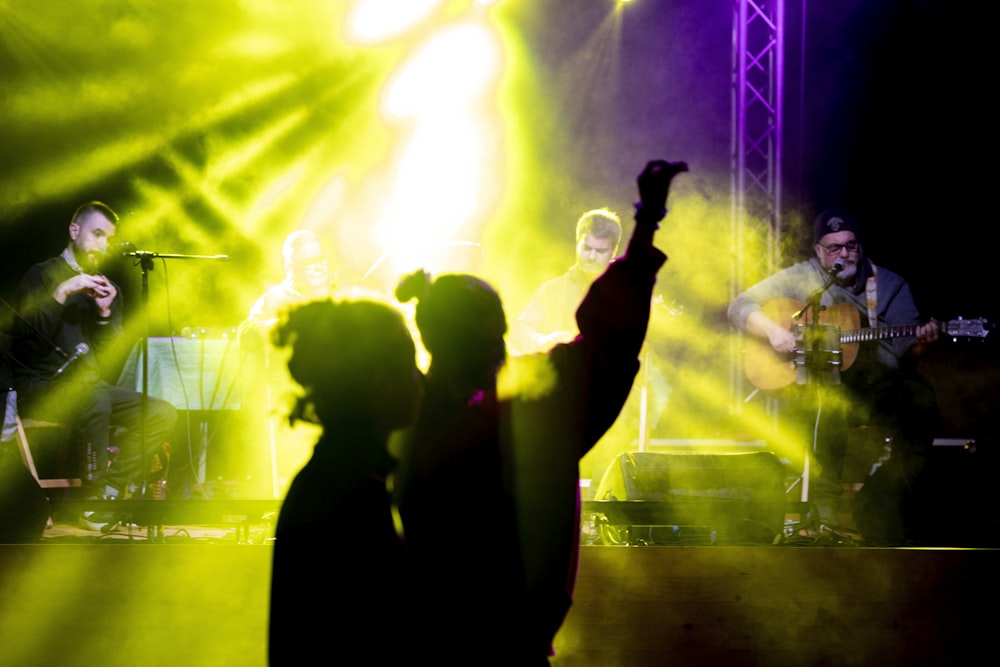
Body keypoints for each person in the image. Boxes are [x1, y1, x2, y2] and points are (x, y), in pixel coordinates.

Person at [393, 159, 687, 664]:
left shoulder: (399, 412)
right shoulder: (533, 411)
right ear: (497, 333)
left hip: (428, 637)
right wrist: (647, 221)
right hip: (513, 641)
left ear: (427, 337)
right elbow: (610, 344)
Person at [727, 207, 941, 545]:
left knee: (922, 401)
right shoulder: (802, 277)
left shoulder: (888, 286)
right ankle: (824, 511)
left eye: (851, 246)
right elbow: (740, 305)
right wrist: (772, 331)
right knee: (827, 396)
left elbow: (904, 352)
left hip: (877, 385)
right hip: (819, 388)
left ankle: (880, 500)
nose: (844, 254)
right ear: (818, 251)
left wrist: (921, 347)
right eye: (834, 248)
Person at [267, 298, 424, 666]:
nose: (420, 379)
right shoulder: (350, 494)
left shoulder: (333, 478)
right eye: (409, 366)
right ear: (380, 381)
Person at [9, 201, 178, 528]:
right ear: (74, 231)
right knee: (96, 400)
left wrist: (103, 315)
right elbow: (25, 340)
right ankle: (94, 502)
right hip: (40, 386)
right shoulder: (41, 275)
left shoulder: (106, 288)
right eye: (97, 234)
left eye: (109, 239)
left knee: (162, 411)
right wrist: (61, 292)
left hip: (88, 388)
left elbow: (106, 359)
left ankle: (111, 491)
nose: (103, 245)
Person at [511, 207, 674, 487]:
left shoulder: (621, 294)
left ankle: (604, 498)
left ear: (613, 253)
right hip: (562, 391)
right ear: (577, 243)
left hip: (604, 393)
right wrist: (543, 339)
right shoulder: (554, 289)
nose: (590, 256)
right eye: (585, 248)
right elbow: (521, 328)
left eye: (599, 251)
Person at [238, 229, 338, 497]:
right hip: (289, 396)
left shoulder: (336, 297)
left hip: (334, 395)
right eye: (309, 262)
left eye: (322, 258)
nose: (318, 266)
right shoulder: (275, 298)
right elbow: (247, 334)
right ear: (291, 266)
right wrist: (284, 323)